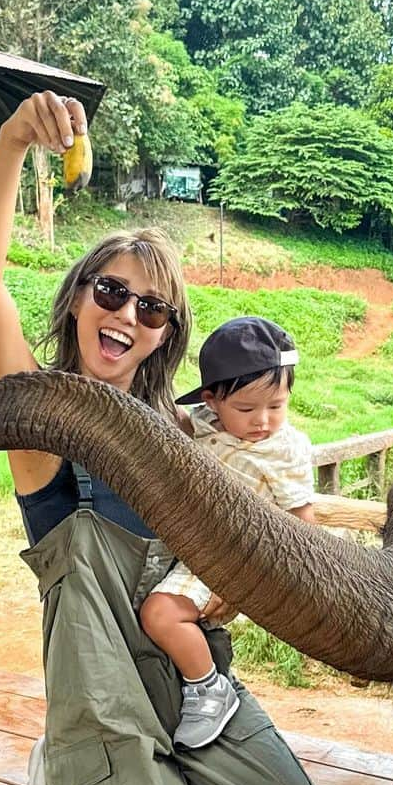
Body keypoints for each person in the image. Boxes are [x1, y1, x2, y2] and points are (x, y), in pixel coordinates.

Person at [0, 90, 335, 785]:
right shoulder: (41, 420)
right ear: (80, 298)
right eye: (112, 291)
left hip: (190, 680)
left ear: (165, 334)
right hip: (103, 702)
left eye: (151, 308)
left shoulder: (187, 434)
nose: (127, 313)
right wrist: (15, 142)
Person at [140, 316, 315, 749]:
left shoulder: (284, 448)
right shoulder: (204, 422)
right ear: (212, 401)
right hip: (191, 545)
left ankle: (207, 688)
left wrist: (270, 578)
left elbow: (301, 518)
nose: (263, 421)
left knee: (159, 614)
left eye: (277, 406)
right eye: (246, 409)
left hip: (233, 555)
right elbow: (175, 420)